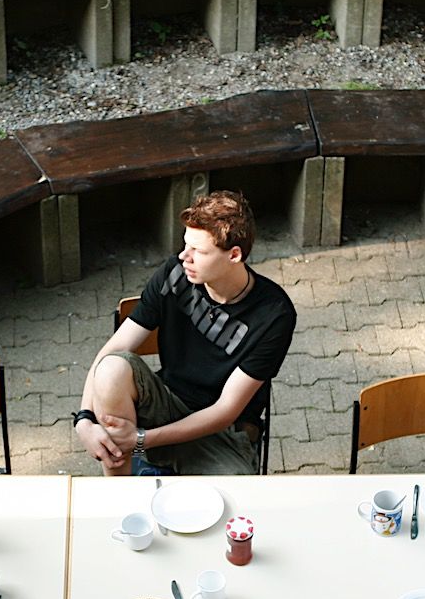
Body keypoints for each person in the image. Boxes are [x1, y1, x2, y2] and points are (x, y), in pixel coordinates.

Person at [74, 190, 296, 475]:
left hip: (221, 433)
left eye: (198, 251)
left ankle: (140, 455)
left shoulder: (274, 314)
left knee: (235, 492)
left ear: (234, 254)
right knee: (111, 369)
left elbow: (225, 410)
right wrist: (84, 420)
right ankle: (122, 491)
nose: (183, 256)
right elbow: (113, 350)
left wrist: (140, 440)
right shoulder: (175, 274)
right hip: (165, 405)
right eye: (185, 244)